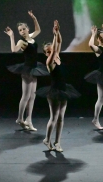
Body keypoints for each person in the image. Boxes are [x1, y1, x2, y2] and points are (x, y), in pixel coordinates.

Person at [36, 20, 81, 152]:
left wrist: (58, 32)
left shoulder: (57, 57)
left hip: (63, 90)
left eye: (51, 50)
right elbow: (56, 47)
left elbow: (59, 43)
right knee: (54, 117)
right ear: (46, 53)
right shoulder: (49, 61)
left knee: (61, 118)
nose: (51, 52)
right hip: (54, 92)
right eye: (48, 51)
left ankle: (57, 142)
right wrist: (54, 35)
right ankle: (47, 139)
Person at [4, 11, 49, 131]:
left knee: (33, 96)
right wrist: (12, 36)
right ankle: (19, 118)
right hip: (27, 70)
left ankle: (29, 119)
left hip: (35, 68)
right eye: (20, 30)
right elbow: (14, 50)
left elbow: (38, 30)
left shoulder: (31, 37)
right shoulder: (22, 41)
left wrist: (34, 18)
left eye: (24, 29)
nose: (22, 31)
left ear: (27, 29)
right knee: (26, 96)